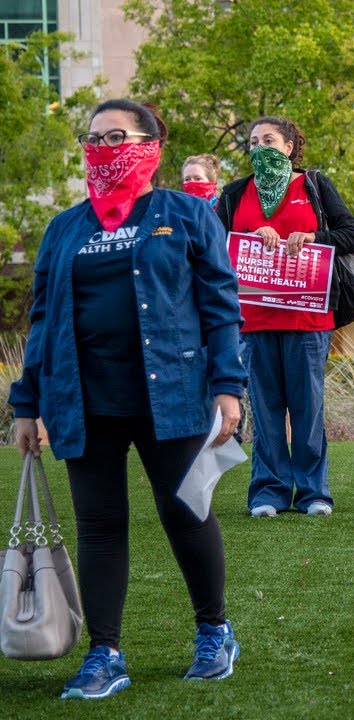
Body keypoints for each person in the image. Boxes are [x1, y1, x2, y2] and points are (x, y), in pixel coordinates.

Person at [9, 99, 245, 699]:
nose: (103, 147)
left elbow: (220, 306)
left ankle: (214, 631)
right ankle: (104, 653)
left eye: (117, 135)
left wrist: (228, 386)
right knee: (101, 525)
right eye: (93, 138)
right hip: (83, 398)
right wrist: (26, 404)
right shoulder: (65, 227)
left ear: (150, 143)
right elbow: (41, 322)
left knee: (184, 511)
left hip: (174, 394)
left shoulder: (185, 214)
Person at [215, 116, 354, 518]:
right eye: (253, 141)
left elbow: (353, 235)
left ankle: (314, 492)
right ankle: (269, 492)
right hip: (256, 321)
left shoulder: (314, 185)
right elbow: (212, 247)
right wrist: (250, 237)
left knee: (307, 408)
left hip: (308, 321)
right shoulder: (234, 194)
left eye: (269, 139)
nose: (260, 146)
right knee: (264, 411)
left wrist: (315, 236)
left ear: (288, 146)